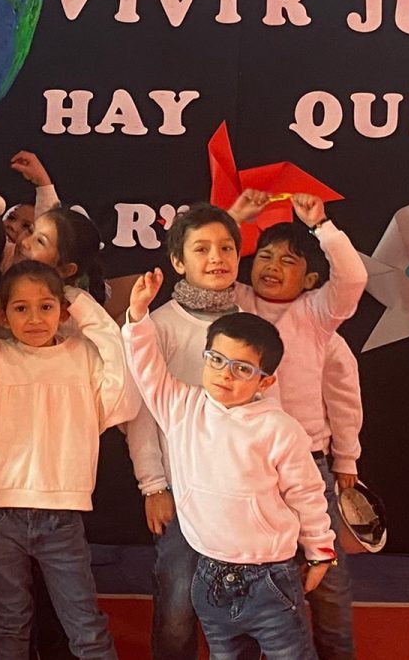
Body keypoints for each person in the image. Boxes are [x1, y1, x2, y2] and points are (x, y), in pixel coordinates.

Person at [124, 272, 336, 660]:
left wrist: (320, 549)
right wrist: (138, 317)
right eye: (216, 359)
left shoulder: (280, 429)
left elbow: (307, 493)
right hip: (210, 575)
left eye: (242, 369)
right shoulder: (182, 408)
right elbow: (147, 371)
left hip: (271, 579)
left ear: (266, 382)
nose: (225, 372)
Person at [0, 260, 140, 660]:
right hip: (1, 515)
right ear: (3, 315)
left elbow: (123, 387)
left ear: (63, 312)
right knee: (10, 620)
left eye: (46, 307)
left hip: (62, 517)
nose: (34, 318)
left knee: (85, 625)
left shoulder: (84, 358)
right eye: (21, 308)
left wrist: (81, 302)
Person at [226, 194, 368, 660]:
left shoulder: (318, 316)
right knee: (253, 570)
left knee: (325, 577)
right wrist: (235, 220)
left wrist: (321, 227)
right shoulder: (234, 303)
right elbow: (203, 267)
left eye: (288, 260)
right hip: (245, 464)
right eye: (264, 255)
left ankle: (334, 651)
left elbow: (343, 399)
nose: (272, 264)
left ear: (309, 279)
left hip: (308, 464)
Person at [122, 202, 243, 660]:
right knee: (177, 599)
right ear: (178, 262)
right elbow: (141, 412)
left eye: (226, 247)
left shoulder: (252, 323)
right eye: (202, 249)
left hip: (239, 492)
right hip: (181, 489)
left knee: (240, 605)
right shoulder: (159, 325)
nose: (217, 257)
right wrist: (153, 485)